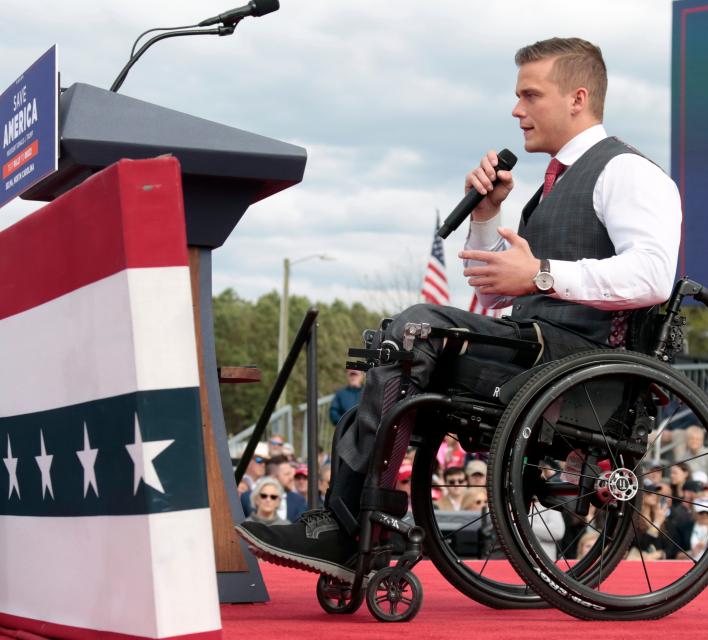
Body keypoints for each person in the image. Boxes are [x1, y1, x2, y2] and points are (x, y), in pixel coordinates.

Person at [236, 37, 683, 580]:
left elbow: (654, 276)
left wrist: (541, 272)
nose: (516, 111)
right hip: (535, 349)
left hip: (583, 366)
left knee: (417, 327)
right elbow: (494, 293)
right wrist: (490, 216)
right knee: (395, 352)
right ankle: (349, 525)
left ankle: (347, 529)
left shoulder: (627, 173)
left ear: (577, 98)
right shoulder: (548, 189)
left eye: (529, 95)